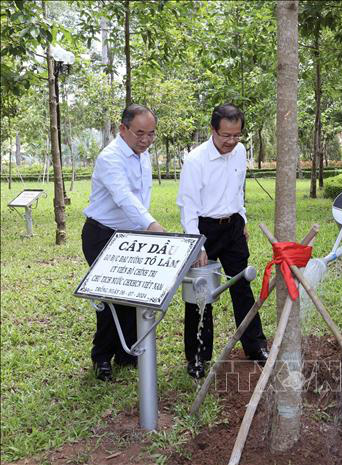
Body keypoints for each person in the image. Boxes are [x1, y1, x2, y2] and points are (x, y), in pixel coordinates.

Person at [176, 103, 268, 379]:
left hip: (233, 228)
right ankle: (198, 357)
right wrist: (197, 245)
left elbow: (237, 189)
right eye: (225, 135)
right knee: (200, 295)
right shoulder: (195, 160)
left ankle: (254, 346)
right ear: (212, 130)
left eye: (237, 135)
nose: (231, 142)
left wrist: (243, 219)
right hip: (204, 230)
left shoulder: (239, 152)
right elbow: (187, 206)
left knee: (242, 286)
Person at [82, 104, 165, 382]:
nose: (145, 140)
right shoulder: (110, 158)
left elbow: (142, 197)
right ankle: (102, 357)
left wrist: (143, 230)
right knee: (111, 298)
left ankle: (126, 353)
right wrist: (151, 224)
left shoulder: (144, 155)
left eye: (151, 134)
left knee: (133, 295)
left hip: (131, 237)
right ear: (122, 129)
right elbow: (124, 197)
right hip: (102, 234)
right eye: (139, 133)